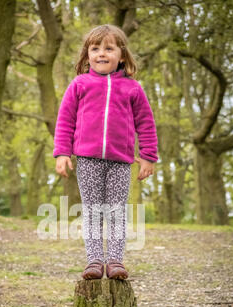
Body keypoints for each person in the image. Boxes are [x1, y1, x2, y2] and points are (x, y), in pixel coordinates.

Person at [53, 24, 158, 280]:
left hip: (121, 162)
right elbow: (65, 120)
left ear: (121, 55)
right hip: (87, 160)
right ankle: (94, 261)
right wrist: (62, 153)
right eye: (95, 48)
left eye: (108, 48)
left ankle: (115, 261)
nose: (101, 53)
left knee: (116, 212)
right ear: (87, 54)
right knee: (92, 211)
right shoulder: (80, 84)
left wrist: (148, 156)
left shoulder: (133, 88)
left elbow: (146, 123)